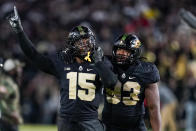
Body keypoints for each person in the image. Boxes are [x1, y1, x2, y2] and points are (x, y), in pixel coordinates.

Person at [8, 6, 105, 131]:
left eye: (87, 41)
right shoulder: (62, 63)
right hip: (67, 121)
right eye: (80, 42)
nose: (85, 46)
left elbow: (114, 83)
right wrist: (19, 31)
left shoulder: (101, 63)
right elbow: (34, 55)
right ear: (72, 45)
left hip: (90, 120)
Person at [93, 34, 161, 131]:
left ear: (135, 52)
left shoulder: (146, 71)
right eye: (119, 49)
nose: (121, 53)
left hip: (135, 127)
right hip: (109, 126)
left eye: (125, 50)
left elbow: (153, 108)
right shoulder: (107, 64)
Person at [0, 58, 23, 131]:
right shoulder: (8, 82)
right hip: (8, 120)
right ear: (12, 70)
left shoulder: (11, 81)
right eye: (18, 68)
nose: (20, 70)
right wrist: (10, 113)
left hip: (10, 120)